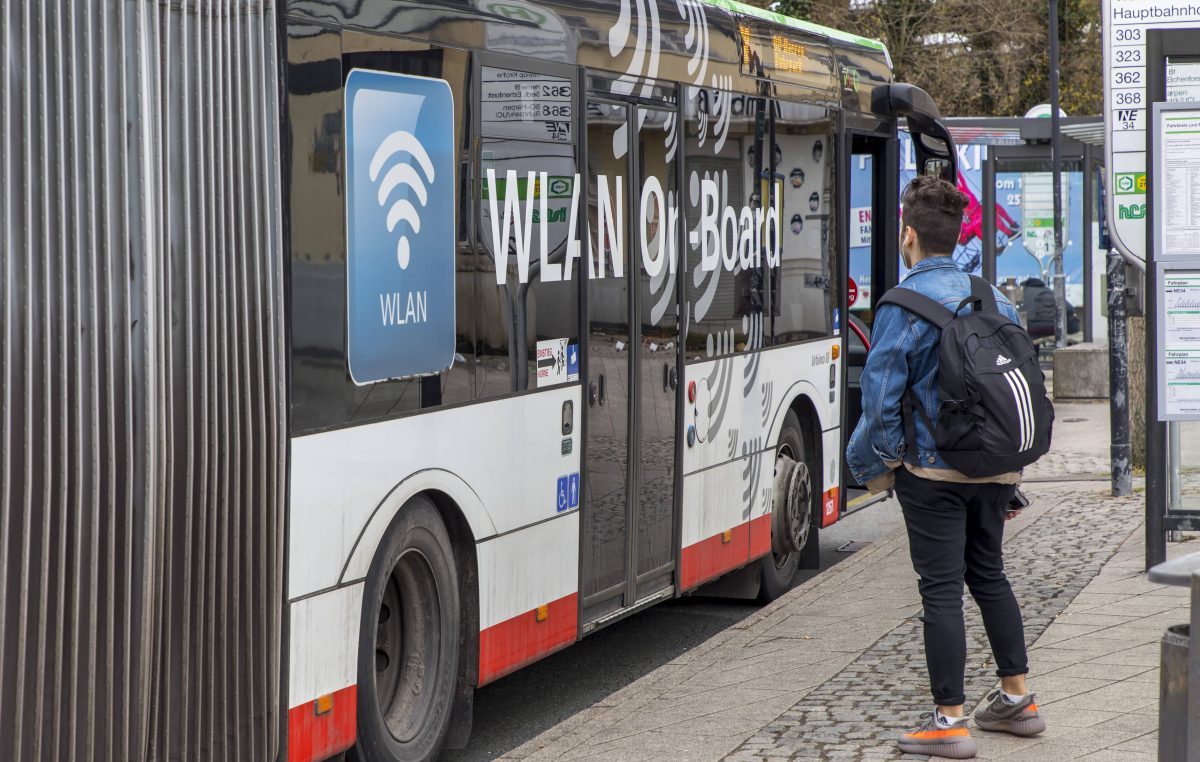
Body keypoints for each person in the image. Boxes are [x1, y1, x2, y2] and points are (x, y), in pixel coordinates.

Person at [846, 176, 1046, 759]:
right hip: (996, 465)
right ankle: (1018, 698)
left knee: (940, 591)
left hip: (932, 473)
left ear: (907, 234)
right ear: (957, 235)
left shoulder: (901, 304)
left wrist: (880, 466)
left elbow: (881, 401)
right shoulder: (993, 297)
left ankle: (949, 721)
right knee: (989, 577)